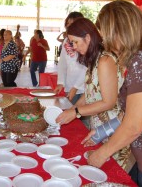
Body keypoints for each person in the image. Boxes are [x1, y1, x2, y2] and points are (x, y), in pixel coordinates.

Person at [83, 0, 142, 187]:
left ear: (119, 31)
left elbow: (133, 125)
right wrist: (101, 132)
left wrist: (102, 154)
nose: (106, 43)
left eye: (107, 36)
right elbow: (129, 113)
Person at [55, 17, 132, 169]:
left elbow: (108, 102)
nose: (74, 47)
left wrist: (76, 112)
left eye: (75, 42)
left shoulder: (105, 60)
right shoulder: (95, 60)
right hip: (100, 129)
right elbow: (90, 92)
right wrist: (72, 109)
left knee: (110, 174)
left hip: (112, 128)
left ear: (88, 37)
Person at [54, 12, 87, 105]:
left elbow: (87, 67)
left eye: (73, 23)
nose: (69, 26)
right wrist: (61, 82)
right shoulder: (66, 41)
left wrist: (76, 87)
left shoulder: (86, 41)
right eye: (68, 24)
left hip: (84, 87)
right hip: (70, 85)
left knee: (82, 115)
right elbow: (62, 63)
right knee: (71, 112)